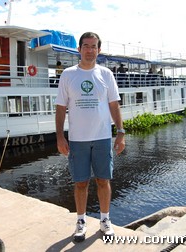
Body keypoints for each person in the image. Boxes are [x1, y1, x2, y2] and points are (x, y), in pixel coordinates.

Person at [55, 32, 125, 242]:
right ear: (79, 49)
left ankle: (105, 220)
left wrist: (120, 132)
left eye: (94, 46)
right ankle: (81, 221)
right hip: (77, 139)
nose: (90, 50)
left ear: (98, 50)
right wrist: (60, 136)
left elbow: (114, 104)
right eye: (86, 46)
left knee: (103, 180)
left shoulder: (106, 74)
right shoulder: (68, 74)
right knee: (80, 183)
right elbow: (60, 108)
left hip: (102, 137)